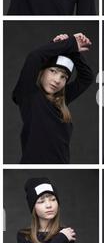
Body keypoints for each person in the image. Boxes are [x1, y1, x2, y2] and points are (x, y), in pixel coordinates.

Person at [13, 32, 93, 163]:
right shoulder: (29, 94)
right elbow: (35, 56)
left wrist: (72, 50)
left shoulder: (62, 100)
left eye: (64, 77)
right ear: (42, 71)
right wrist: (67, 44)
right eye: (53, 71)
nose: (57, 80)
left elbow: (87, 78)